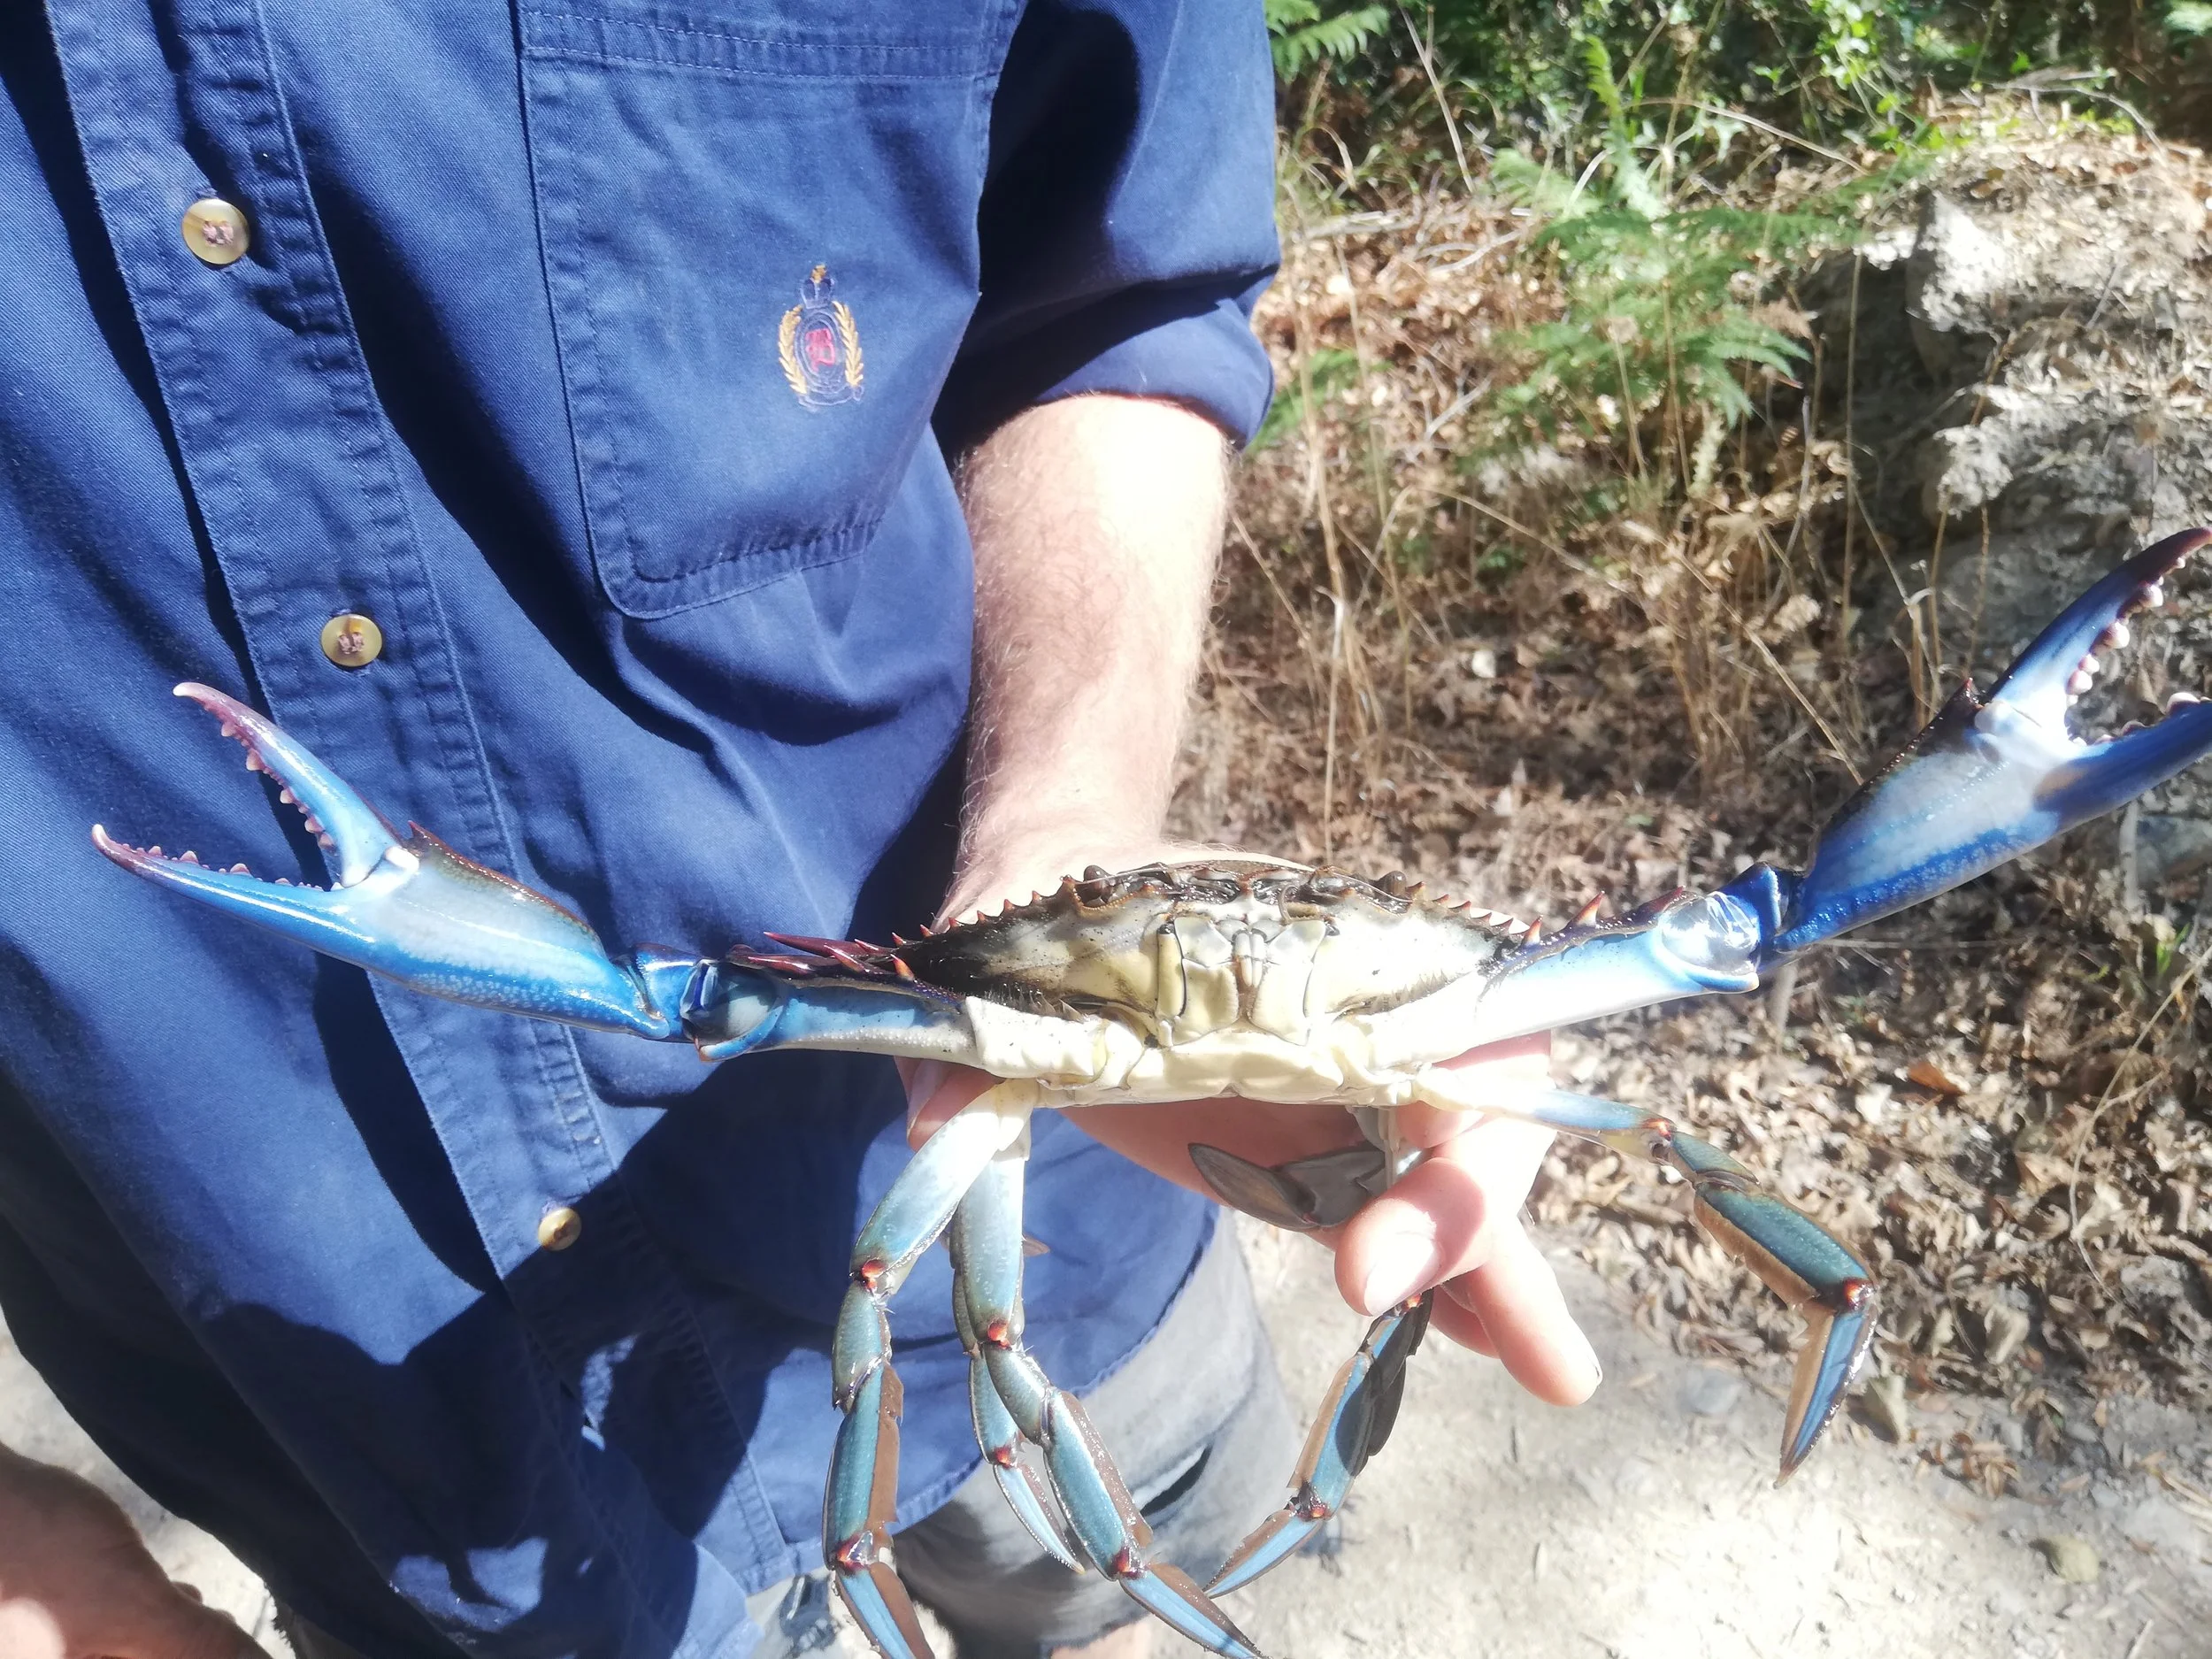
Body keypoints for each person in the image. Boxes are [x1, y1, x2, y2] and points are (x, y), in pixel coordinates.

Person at [0, 2, 1600, 1655]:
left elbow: (1114, 291)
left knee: (1159, 1579)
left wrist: (1065, 827)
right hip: (377, 1450)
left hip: (1060, 1239)